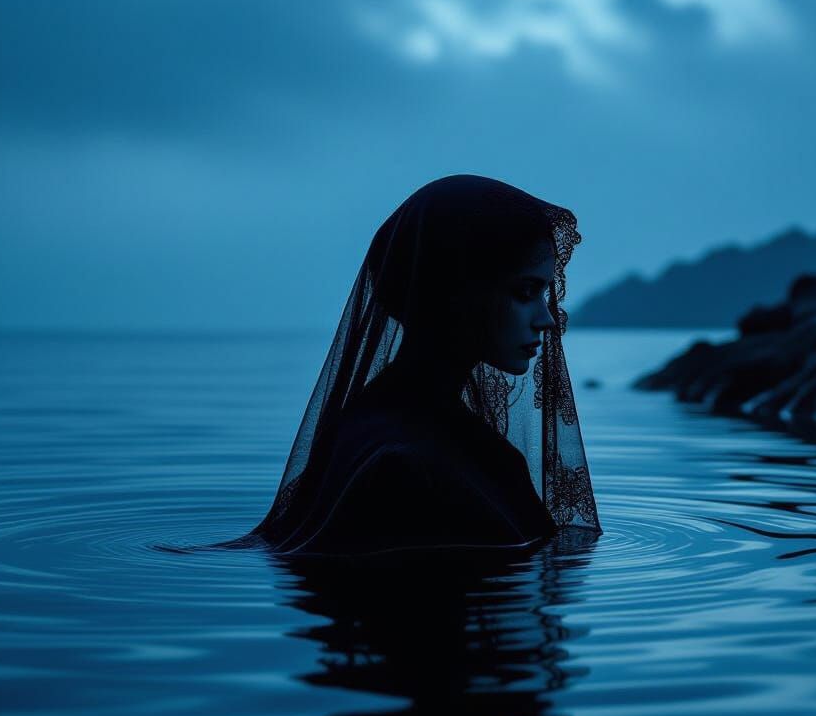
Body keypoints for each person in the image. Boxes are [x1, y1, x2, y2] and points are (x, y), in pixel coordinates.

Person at [212, 173, 601, 558]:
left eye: (544, 293)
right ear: (457, 291)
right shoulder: (407, 466)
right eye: (525, 291)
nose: (547, 319)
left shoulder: (383, 430)